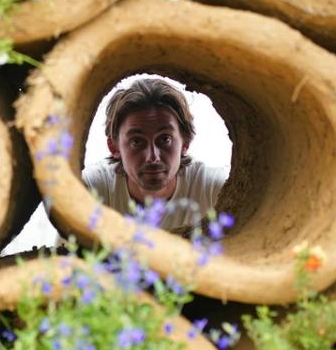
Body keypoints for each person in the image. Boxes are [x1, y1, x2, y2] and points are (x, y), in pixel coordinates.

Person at [82, 77, 227, 237]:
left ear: (185, 143)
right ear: (114, 147)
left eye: (165, 139)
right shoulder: (92, 190)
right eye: (137, 141)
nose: (153, 157)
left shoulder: (214, 189)